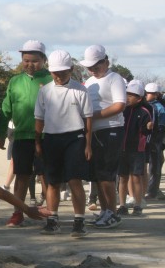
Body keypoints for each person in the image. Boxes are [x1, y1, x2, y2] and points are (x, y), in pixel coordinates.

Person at [34, 50, 93, 237]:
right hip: (51, 138)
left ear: (71, 69)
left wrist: (88, 144)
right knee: (53, 182)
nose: (58, 76)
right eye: (55, 72)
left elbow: (88, 119)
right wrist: (37, 142)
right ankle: (52, 220)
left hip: (75, 138)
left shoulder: (80, 90)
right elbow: (39, 119)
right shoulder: (45, 91)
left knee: (75, 180)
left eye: (63, 72)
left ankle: (79, 221)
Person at [0, 40, 53, 227]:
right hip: (21, 136)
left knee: (46, 177)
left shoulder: (51, 79)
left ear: (43, 60)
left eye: (35, 61)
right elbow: (6, 108)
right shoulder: (15, 81)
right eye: (26, 60)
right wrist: (1, 132)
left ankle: (51, 214)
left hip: (46, 137)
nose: (30, 64)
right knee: (21, 176)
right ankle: (17, 213)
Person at [81, 45, 127, 228]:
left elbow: (119, 105)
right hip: (94, 132)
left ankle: (112, 213)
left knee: (107, 175)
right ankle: (104, 211)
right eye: (89, 67)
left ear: (106, 62)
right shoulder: (89, 81)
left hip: (111, 130)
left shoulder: (114, 78)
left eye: (96, 66)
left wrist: (94, 116)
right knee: (98, 175)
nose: (92, 70)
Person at [116, 80, 152, 216]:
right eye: (127, 94)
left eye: (131, 95)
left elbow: (146, 132)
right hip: (122, 149)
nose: (127, 97)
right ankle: (122, 205)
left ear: (139, 98)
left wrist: (148, 127)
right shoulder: (121, 110)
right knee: (122, 178)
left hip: (137, 150)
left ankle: (137, 205)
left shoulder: (144, 112)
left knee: (136, 178)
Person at [145, 82, 165, 200]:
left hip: (155, 141)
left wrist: (158, 142)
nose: (147, 95)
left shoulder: (160, 108)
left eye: (150, 93)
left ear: (156, 94)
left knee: (155, 166)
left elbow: (161, 128)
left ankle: (152, 191)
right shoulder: (146, 105)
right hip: (147, 140)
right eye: (146, 93)